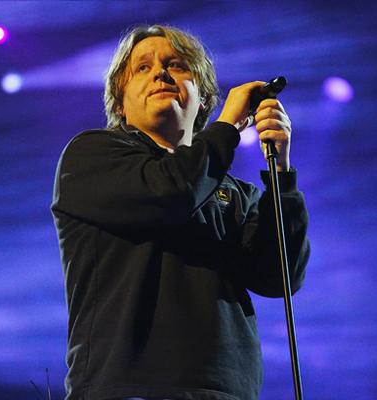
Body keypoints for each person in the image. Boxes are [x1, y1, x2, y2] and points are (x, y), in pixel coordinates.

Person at [51, 25, 310, 400]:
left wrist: (282, 176)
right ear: (121, 103)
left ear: (202, 98)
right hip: (131, 388)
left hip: (226, 393)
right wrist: (228, 127)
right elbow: (171, 194)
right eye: (142, 68)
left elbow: (279, 277)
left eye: (175, 64)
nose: (160, 72)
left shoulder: (235, 193)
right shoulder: (91, 156)